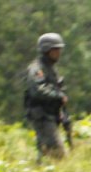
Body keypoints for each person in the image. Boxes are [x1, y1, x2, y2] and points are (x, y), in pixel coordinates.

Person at [24, 32, 69, 161]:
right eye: (55, 49)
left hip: (50, 114)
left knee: (45, 153)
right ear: (46, 50)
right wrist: (58, 96)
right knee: (57, 153)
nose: (59, 53)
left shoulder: (50, 69)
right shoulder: (37, 69)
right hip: (42, 115)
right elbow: (38, 90)